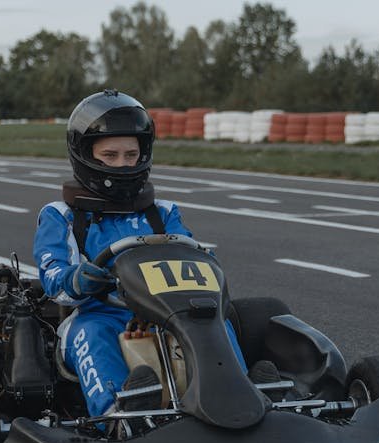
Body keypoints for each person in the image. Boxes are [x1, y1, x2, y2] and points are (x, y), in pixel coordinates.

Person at [33, 89, 250, 418]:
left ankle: (240, 395)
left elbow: (188, 256)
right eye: (110, 155)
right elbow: (54, 282)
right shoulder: (61, 214)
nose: (123, 164)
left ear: (143, 154)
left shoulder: (162, 211)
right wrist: (79, 279)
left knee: (218, 324)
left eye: (130, 155)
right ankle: (119, 414)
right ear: (86, 155)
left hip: (166, 315)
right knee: (92, 335)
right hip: (99, 315)